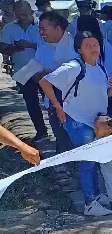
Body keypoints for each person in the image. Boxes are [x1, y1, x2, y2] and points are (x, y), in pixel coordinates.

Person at [39, 30, 112, 215]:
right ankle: (90, 203)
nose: (93, 48)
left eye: (95, 44)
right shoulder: (73, 67)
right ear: (79, 50)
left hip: (95, 122)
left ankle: (95, 195)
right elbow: (45, 82)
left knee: (93, 159)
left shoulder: (100, 68)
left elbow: (100, 97)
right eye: (88, 45)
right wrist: (58, 106)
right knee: (88, 160)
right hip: (77, 121)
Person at [1, 0, 47, 140]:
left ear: (31, 12)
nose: (22, 17)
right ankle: (41, 132)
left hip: (44, 69)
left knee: (51, 102)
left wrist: (30, 45)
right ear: (14, 14)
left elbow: (51, 47)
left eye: (25, 14)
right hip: (23, 71)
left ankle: (60, 132)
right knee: (31, 103)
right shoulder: (9, 28)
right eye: (19, 14)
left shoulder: (42, 25)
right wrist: (14, 48)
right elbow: (3, 48)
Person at [35, 11, 77, 153]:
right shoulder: (42, 50)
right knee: (60, 138)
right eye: (40, 29)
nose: (41, 33)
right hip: (53, 102)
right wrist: (44, 75)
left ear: (57, 28)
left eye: (44, 29)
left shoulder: (77, 45)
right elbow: (32, 74)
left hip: (76, 102)